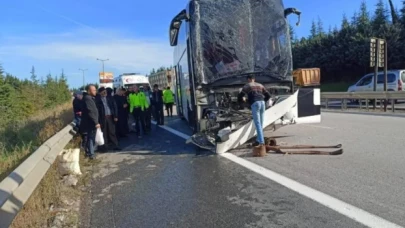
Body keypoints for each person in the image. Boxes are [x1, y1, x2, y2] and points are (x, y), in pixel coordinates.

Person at [237, 75, 271, 149]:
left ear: (249, 79)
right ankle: (258, 140)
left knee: (257, 123)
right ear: (254, 79)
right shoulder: (260, 85)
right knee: (261, 123)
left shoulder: (247, 86)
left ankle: (261, 142)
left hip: (255, 104)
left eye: (248, 80)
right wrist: (263, 101)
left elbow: (240, 96)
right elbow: (268, 95)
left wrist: (242, 102)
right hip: (262, 103)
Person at [96, 87, 121, 151]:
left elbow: (114, 107)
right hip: (103, 118)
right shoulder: (98, 100)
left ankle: (115, 145)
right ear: (100, 93)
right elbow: (97, 111)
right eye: (103, 92)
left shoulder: (110, 98)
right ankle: (105, 147)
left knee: (112, 132)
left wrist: (115, 116)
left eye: (105, 91)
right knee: (104, 133)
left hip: (110, 117)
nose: (105, 93)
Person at [80, 84, 100, 159]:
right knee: (90, 138)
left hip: (90, 122)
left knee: (90, 138)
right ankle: (91, 154)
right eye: (94, 90)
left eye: (95, 90)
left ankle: (90, 153)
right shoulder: (88, 99)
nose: (95, 91)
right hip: (89, 123)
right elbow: (91, 111)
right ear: (89, 91)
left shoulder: (90, 98)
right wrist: (96, 122)